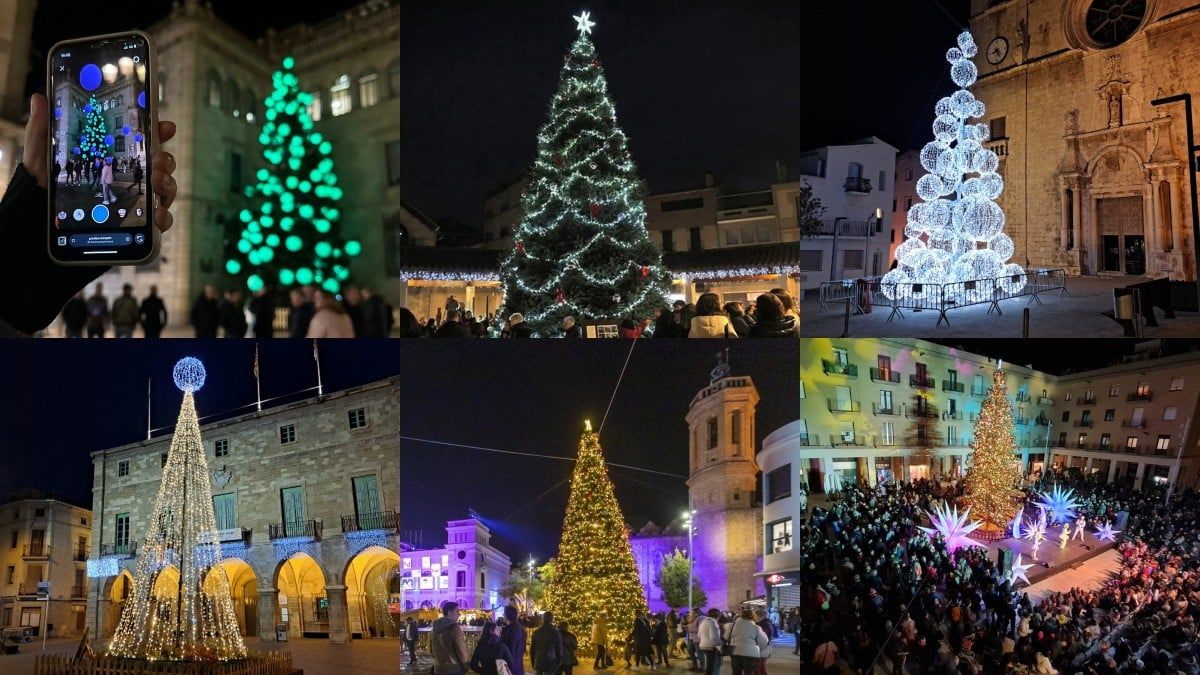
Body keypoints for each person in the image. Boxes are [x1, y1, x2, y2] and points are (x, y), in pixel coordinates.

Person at [431, 601, 471, 675]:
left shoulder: (435, 627)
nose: (459, 613)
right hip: (454, 668)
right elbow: (460, 649)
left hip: (439, 668)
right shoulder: (454, 627)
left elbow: (432, 649)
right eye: (457, 611)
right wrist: (466, 665)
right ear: (449, 612)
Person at [728, 609, 767, 675]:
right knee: (749, 672)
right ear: (753, 616)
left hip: (735, 651)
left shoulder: (732, 625)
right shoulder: (756, 627)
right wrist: (760, 649)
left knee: (736, 672)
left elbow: (726, 637)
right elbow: (763, 641)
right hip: (750, 653)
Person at [500, 606, 527, 675]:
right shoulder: (519, 628)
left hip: (511, 667)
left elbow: (509, 651)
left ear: (507, 615)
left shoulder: (511, 630)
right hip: (518, 664)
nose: (503, 615)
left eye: (504, 613)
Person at [697, 609, 721, 675]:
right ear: (717, 615)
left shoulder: (703, 621)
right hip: (710, 647)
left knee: (709, 665)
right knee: (710, 667)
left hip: (702, 645)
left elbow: (699, 635)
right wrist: (720, 643)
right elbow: (713, 636)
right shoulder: (712, 622)